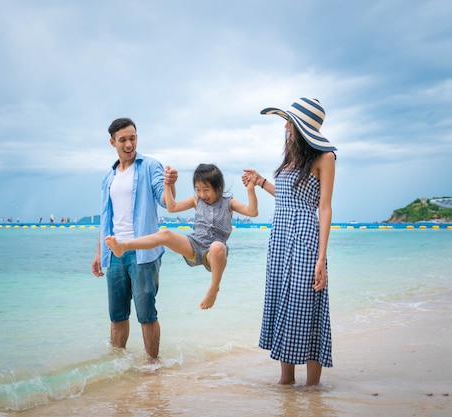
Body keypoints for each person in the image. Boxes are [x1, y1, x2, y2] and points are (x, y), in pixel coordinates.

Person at [243, 97, 336, 386]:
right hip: (281, 238)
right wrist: (260, 181)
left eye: (290, 121)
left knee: (306, 306)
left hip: (306, 238)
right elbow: (287, 198)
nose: (285, 125)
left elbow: (324, 207)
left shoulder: (325, 158)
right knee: (283, 303)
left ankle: (313, 389)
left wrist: (321, 259)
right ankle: (285, 384)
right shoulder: (291, 158)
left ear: (302, 126)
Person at [106, 163, 259, 310]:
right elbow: (172, 208)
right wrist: (167, 184)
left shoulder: (229, 203)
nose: (202, 194)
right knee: (165, 234)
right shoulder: (196, 201)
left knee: (217, 246)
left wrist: (250, 189)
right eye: (198, 189)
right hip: (194, 244)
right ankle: (123, 246)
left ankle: (213, 289)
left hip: (213, 254)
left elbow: (252, 212)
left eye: (206, 190)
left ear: (218, 188)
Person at [91, 117, 177, 359]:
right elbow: (106, 219)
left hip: (144, 252)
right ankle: (118, 369)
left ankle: (153, 366)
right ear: (112, 142)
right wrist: (100, 253)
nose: (129, 144)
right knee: (117, 316)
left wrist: (170, 185)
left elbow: (165, 200)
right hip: (115, 252)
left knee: (146, 314)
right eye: (123, 140)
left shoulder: (150, 166)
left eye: (133, 138)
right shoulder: (108, 177)